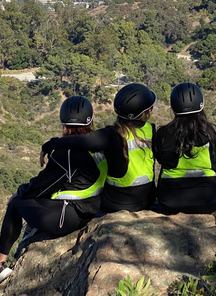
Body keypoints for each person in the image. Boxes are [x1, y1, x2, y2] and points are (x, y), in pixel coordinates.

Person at [0, 96, 105, 291]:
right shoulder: (100, 142)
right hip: (92, 208)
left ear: (63, 122)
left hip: (69, 218)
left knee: (16, 205)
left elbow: (41, 186)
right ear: (90, 120)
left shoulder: (66, 153)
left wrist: (19, 192)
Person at [40, 83, 157, 213]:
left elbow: (78, 141)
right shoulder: (151, 130)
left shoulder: (110, 134)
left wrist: (49, 145)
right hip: (148, 200)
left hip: (115, 204)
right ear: (147, 111)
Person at [152, 82, 216, 214]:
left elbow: (161, 160)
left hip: (169, 201)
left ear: (173, 107)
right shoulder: (213, 132)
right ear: (201, 104)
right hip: (208, 201)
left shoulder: (163, 133)